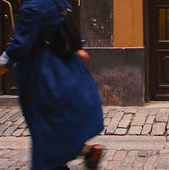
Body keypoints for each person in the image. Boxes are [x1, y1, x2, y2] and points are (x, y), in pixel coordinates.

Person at [0, 0, 104, 169]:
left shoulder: (33, 6)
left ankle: (82, 153)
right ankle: (83, 153)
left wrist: (3, 62)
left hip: (42, 73)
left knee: (45, 127)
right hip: (63, 67)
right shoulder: (57, 2)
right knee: (54, 123)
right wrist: (77, 49)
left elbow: (20, 45)